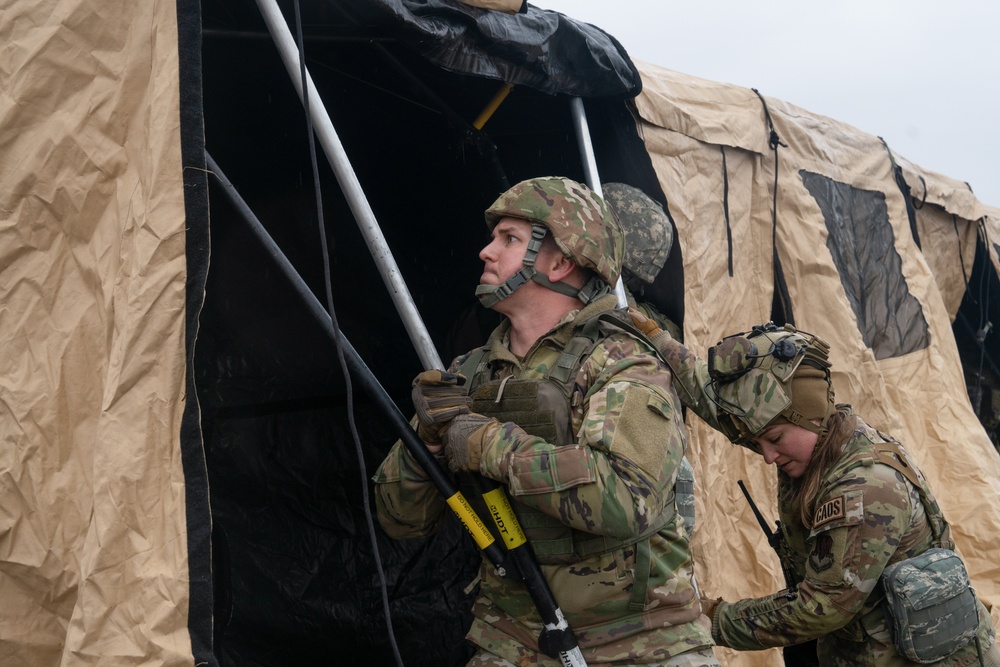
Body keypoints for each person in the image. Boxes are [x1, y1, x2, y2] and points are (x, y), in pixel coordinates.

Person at [374, 176, 718, 666]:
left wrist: (489, 444)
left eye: (509, 239)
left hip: (642, 641)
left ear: (560, 263)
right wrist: (424, 444)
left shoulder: (623, 363)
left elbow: (623, 501)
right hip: (514, 640)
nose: (485, 252)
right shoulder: (468, 375)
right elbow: (398, 520)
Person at [628, 315, 1000, 667]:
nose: (768, 456)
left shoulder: (866, 487)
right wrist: (659, 341)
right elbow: (719, 405)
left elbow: (821, 606)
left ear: (811, 415)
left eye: (773, 440)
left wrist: (712, 617)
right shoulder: (816, 441)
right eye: (759, 442)